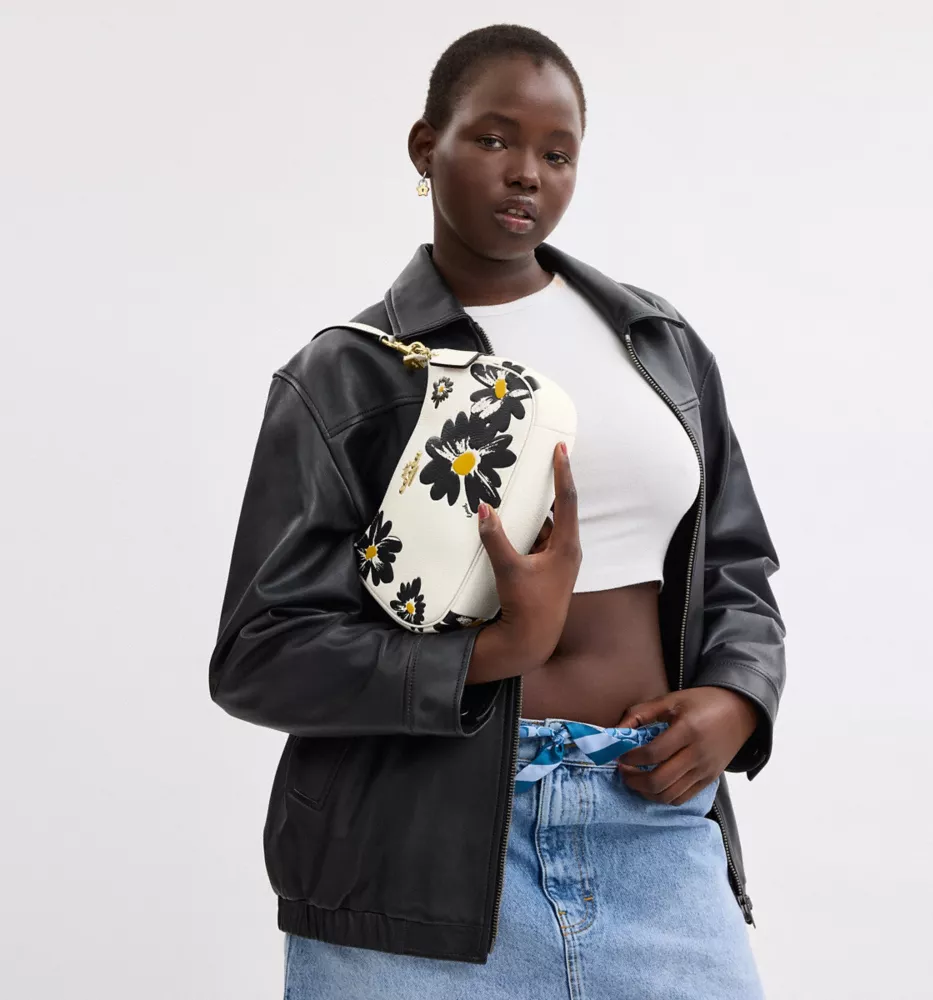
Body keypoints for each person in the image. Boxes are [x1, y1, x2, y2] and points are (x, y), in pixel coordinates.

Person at [208, 23, 786, 1000]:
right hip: (410, 857)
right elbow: (260, 654)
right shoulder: (346, 373)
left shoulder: (658, 342)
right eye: (492, 139)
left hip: (653, 823)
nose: (527, 173)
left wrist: (738, 697)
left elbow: (735, 565)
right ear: (424, 146)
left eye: (558, 154)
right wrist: (488, 652)